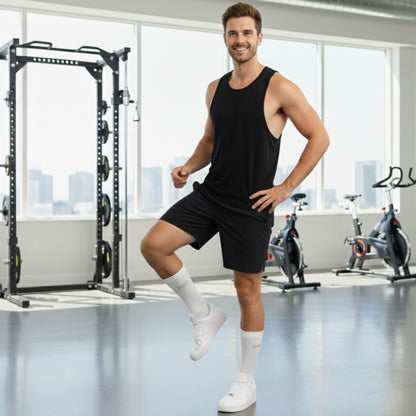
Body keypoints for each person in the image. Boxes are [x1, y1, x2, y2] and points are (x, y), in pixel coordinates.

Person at [141, 2, 330, 413]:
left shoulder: (279, 86)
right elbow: (210, 141)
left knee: (247, 291)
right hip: (212, 193)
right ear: (224, 38)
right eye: (232, 33)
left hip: (250, 203)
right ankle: (203, 314)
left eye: (247, 33)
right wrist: (188, 168)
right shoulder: (215, 88)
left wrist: (285, 187)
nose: (240, 40)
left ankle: (245, 381)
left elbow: (319, 136)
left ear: (259, 38)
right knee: (154, 245)